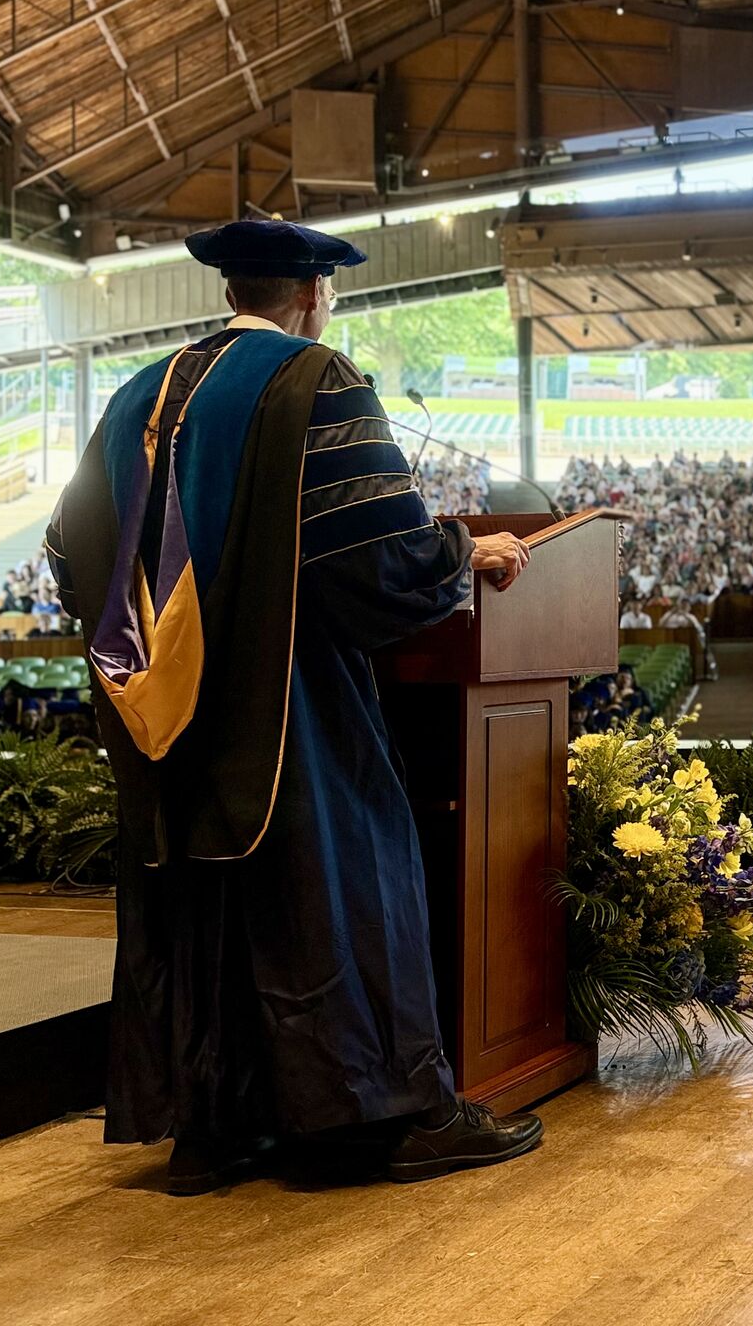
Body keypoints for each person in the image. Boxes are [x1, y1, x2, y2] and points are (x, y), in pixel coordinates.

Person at [46, 220, 543, 1195]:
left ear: (232, 285)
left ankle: (215, 1125)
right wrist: (461, 553)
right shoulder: (315, 379)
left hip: (168, 727)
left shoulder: (137, 393)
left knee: (204, 896)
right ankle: (388, 1120)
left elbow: (72, 551)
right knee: (350, 869)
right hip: (292, 711)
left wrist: (170, 649)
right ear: (315, 294)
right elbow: (374, 559)